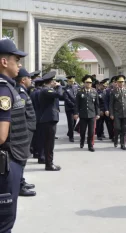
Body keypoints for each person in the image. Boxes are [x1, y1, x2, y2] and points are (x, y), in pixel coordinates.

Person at [0, 39, 29, 233]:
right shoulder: (3, 89)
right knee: (4, 222)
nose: (19, 64)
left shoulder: (8, 87)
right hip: (7, 163)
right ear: (4, 62)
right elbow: (1, 136)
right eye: (16, 59)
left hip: (11, 159)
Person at [14, 68, 37, 197]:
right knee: (22, 159)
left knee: (23, 159)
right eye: (29, 78)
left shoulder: (23, 91)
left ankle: (21, 181)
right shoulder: (21, 93)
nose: (30, 80)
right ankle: (19, 186)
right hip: (25, 131)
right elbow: (21, 114)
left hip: (28, 130)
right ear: (23, 80)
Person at [39, 71, 63, 171]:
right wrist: (59, 86)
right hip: (48, 119)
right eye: (54, 81)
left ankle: (49, 162)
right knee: (49, 143)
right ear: (51, 81)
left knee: (49, 142)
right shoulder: (46, 90)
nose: (55, 82)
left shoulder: (47, 90)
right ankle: (49, 164)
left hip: (48, 119)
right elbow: (60, 95)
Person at [74, 75, 100, 152]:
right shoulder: (80, 92)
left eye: (90, 83)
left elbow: (97, 104)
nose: (88, 84)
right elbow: (77, 104)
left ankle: (90, 145)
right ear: (84, 83)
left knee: (91, 131)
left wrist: (97, 113)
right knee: (82, 130)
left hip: (92, 114)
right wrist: (76, 113)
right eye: (87, 82)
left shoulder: (94, 92)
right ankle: (82, 140)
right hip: (83, 114)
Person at [109, 75, 126, 150]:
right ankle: (116, 138)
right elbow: (111, 104)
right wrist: (112, 113)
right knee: (117, 128)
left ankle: (122, 144)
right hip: (117, 113)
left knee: (124, 129)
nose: (121, 83)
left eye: (122, 82)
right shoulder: (113, 91)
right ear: (117, 82)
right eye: (119, 82)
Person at [63, 75, 78, 142]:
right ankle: (71, 137)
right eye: (70, 81)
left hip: (75, 108)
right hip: (69, 108)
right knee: (71, 122)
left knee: (74, 122)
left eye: (73, 81)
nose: (72, 83)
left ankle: (70, 132)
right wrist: (74, 105)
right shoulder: (65, 89)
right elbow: (66, 99)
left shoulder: (76, 87)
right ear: (68, 82)